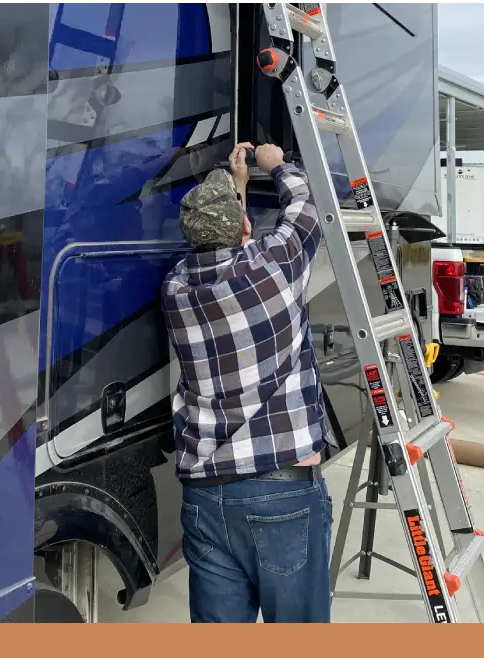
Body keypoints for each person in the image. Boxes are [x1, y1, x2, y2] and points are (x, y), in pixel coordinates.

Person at [161, 142, 337, 623]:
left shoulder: (176, 291)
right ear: (243, 227)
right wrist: (275, 164)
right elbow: (308, 205)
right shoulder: (272, 269)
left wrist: (233, 188)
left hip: (206, 498)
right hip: (281, 491)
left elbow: (217, 248)